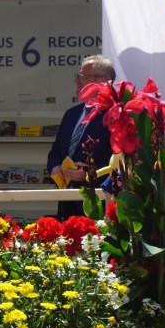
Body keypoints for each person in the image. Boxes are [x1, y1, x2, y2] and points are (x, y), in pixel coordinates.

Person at [47, 54, 115, 219]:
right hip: (66, 204)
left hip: (98, 203)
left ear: (102, 81)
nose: (77, 81)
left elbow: (121, 161)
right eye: (78, 76)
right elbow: (55, 153)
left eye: (82, 77)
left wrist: (91, 174)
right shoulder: (71, 114)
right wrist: (55, 167)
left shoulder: (115, 114)